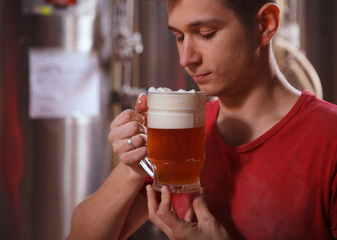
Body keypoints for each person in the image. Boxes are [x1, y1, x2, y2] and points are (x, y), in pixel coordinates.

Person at [67, 0, 337, 239]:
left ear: (265, 24)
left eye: (206, 34)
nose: (186, 58)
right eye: (179, 36)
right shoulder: (183, 134)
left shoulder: (329, 138)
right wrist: (133, 165)